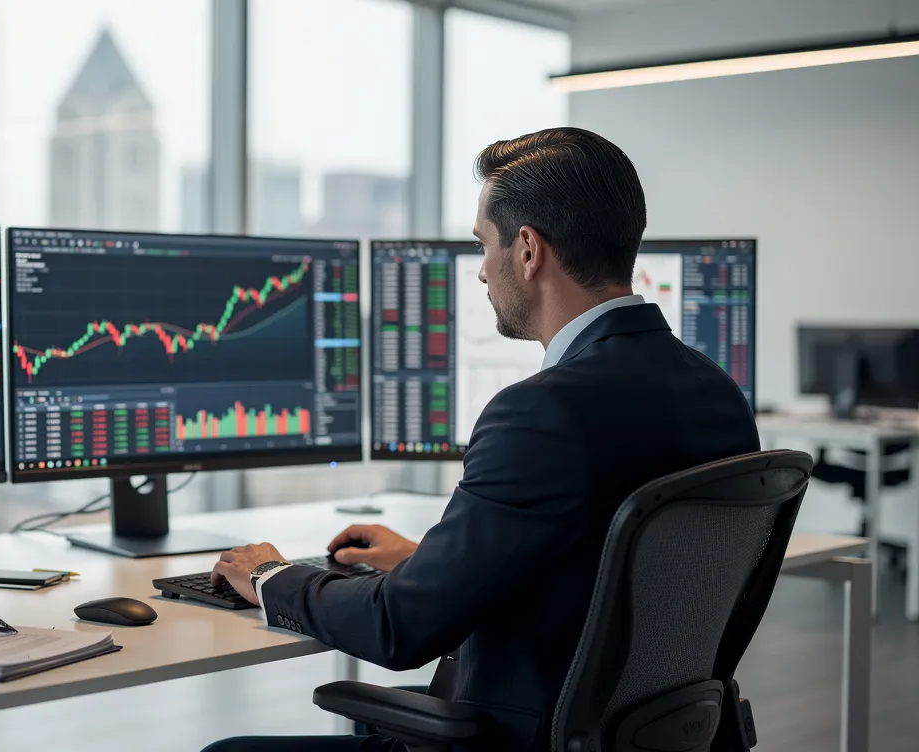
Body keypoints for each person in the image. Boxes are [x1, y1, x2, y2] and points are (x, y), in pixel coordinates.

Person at [202, 128, 760, 752]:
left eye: (482, 246)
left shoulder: (540, 413)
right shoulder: (719, 394)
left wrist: (273, 576)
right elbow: (599, 564)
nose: (481, 273)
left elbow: (400, 629)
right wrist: (431, 563)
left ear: (527, 250)